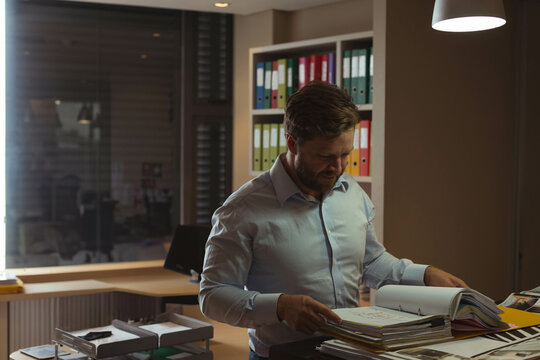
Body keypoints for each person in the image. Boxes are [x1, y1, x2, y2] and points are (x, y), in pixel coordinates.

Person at [199, 81, 468, 360]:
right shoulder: (241, 209)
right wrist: (280, 307)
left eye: (345, 155)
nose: (338, 168)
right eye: (325, 156)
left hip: (351, 351)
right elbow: (213, 295)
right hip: (283, 355)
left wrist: (423, 275)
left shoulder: (350, 191)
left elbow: (371, 262)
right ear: (292, 142)